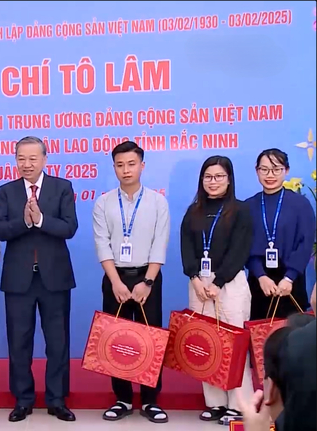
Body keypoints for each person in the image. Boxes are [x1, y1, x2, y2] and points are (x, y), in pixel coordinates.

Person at [0, 136, 78, 423]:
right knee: (19, 342)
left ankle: (57, 399)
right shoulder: (7, 191)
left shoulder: (61, 187)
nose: (26, 164)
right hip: (18, 280)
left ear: (44, 159)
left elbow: (69, 228)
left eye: (32, 159)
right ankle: (23, 400)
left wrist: (40, 220)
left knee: (57, 342)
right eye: (21, 159)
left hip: (55, 278)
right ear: (15, 160)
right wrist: (25, 222)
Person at [92, 141, 170, 423]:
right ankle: (122, 398)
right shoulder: (103, 202)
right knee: (117, 340)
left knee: (151, 340)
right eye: (120, 165)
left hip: (147, 279)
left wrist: (147, 282)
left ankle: (150, 400)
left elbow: (160, 244)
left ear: (142, 166)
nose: (126, 170)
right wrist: (115, 282)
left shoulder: (157, 202)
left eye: (131, 164)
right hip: (116, 280)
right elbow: (102, 245)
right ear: (114, 167)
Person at [180, 155, 254, 424]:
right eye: (208, 177)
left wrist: (219, 282)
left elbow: (240, 249)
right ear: (202, 180)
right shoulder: (194, 211)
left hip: (230, 283)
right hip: (199, 283)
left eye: (219, 176)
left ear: (229, 179)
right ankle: (215, 403)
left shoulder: (241, 210)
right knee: (206, 345)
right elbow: (186, 247)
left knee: (234, 345)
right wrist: (196, 278)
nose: (213, 182)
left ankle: (238, 404)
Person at [246, 149, 316, 319]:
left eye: (276, 169)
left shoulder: (300, 204)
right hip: (259, 281)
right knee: (259, 337)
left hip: (291, 281)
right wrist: (261, 276)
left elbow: (305, 243)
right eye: (264, 169)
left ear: (286, 170)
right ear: (257, 171)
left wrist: (289, 278)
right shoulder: (248, 206)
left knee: (292, 338)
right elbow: (244, 245)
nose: (270, 175)